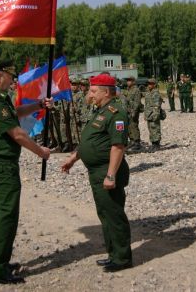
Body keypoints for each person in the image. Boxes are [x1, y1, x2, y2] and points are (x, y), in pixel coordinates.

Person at [0, 61, 52, 284]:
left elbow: (14, 114)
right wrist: (41, 152)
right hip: (2, 165)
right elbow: (17, 134)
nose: (13, 81)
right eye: (11, 76)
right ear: (0, 77)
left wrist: (38, 105)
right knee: (6, 215)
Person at [61, 73, 132, 272]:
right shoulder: (100, 111)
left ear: (106, 92)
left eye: (93, 91)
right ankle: (113, 254)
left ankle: (122, 258)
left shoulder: (116, 112)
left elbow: (118, 146)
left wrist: (110, 175)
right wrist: (74, 158)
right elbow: (92, 140)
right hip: (97, 171)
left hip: (107, 171)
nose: (90, 94)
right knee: (105, 214)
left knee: (114, 214)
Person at [124, 76, 143, 151]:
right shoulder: (129, 89)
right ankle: (132, 141)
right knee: (129, 126)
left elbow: (137, 102)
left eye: (129, 80)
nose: (127, 82)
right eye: (127, 80)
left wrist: (134, 112)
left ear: (133, 82)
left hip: (133, 111)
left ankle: (137, 142)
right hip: (128, 111)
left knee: (134, 126)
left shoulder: (136, 90)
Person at [144, 78, 163, 152]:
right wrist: (145, 115)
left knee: (155, 128)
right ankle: (153, 143)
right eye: (148, 84)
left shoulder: (156, 93)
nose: (149, 85)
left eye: (150, 84)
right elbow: (147, 104)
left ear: (154, 85)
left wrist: (155, 115)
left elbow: (156, 106)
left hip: (154, 114)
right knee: (151, 129)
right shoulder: (148, 92)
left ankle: (157, 144)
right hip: (149, 114)